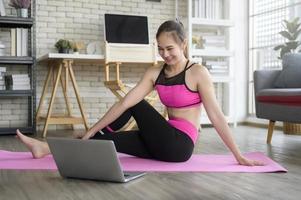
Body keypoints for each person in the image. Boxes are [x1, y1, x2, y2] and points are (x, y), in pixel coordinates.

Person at [17, 20, 263, 166]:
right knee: (103, 142)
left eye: (170, 48)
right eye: (160, 49)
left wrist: (238, 155)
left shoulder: (198, 73)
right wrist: (93, 131)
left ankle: (88, 133)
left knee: (133, 103)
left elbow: (217, 117)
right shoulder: (155, 72)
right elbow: (124, 103)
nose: (165, 54)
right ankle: (45, 149)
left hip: (179, 146)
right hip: (160, 141)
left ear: (183, 44)